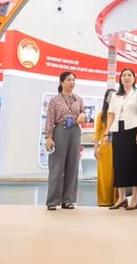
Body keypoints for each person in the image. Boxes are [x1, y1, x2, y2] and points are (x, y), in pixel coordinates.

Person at [44, 71, 86, 210]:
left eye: (74, 80)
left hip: (75, 131)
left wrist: (82, 116)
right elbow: (49, 120)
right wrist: (49, 137)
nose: (72, 82)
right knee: (57, 166)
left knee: (72, 166)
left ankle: (68, 199)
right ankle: (52, 200)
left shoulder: (78, 99)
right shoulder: (54, 100)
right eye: (69, 80)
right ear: (61, 82)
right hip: (60, 131)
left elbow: (83, 115)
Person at [107, 69, 137, 210]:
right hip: (118, 129)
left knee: (133, 163)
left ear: (134, 78)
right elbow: (111, 114)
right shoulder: (115, 95)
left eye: (129, 75)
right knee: (119, 163)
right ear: (120, 79)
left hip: (133, 129)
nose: (126, 77)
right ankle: (121, 197)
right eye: (124, 75)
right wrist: (106, 133)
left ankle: (135, 197)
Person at [94, 88, 117, 207]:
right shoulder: (101, 115)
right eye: (110, 96)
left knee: (116, 173)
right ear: (106, 99)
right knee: (104, 174)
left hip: (117, 145)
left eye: (114, 96)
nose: (112, 98)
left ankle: (116, 199)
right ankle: (104, 200)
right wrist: (95, 147)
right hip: (105, 146)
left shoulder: (119, 113)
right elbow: (97, 132)